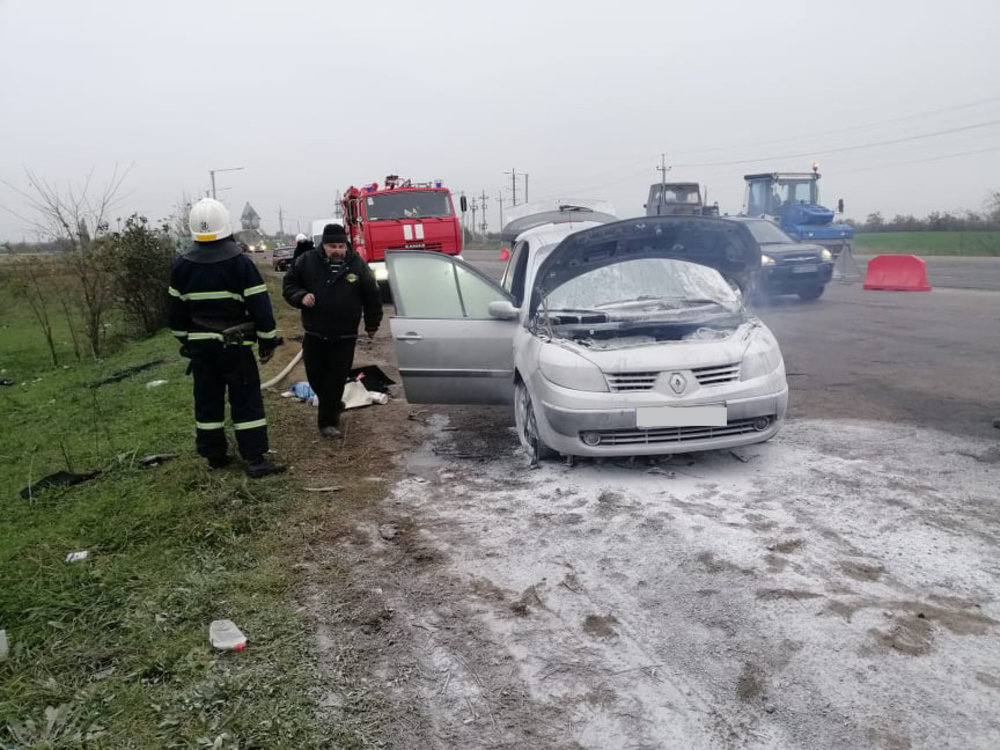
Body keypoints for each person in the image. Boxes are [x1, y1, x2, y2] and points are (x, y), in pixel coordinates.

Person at [167, 198, 286, 478]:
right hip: (236, 347)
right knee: (246, 401)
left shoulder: (181, 265)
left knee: (207, 399)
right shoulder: (240, 263)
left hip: (200, 349)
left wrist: (187, 340)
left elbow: (175, 314)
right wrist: (268, 341)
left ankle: (214, 454)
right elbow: (260, 307)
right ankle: (255, 459)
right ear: (226, 225)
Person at [282, 223, 382, 438]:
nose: (337, 250)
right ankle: (334, 404)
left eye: (341, 246)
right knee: (316, 377)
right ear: (323, 246)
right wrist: (300, 296)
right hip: (315, 334)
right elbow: (289, 285)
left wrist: (372, 324)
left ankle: (328, 423)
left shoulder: (357, 265)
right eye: (332, 246)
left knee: (335, 380)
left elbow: (372, 295)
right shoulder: (306, 261)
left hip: (345, 336)